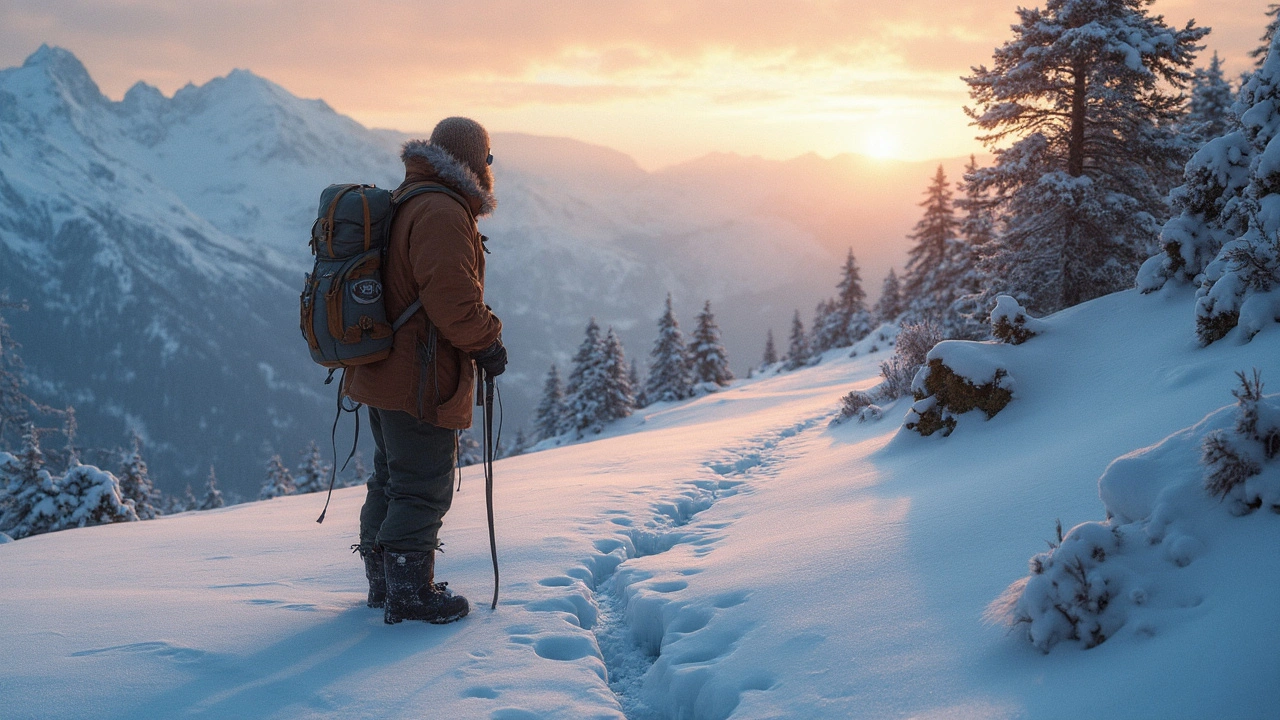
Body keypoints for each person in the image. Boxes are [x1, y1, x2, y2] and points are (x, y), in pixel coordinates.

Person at [344, 117, 508, 624]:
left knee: (391, 479)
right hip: (418, 377)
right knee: (422, 486)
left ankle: (384, 583)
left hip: (382, 371)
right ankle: (410, 595)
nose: (489, 167)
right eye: (487, 158)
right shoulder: (441, 211)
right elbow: (452, 301)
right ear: (473, 161)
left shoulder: (409, 197)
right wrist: (489, 342)